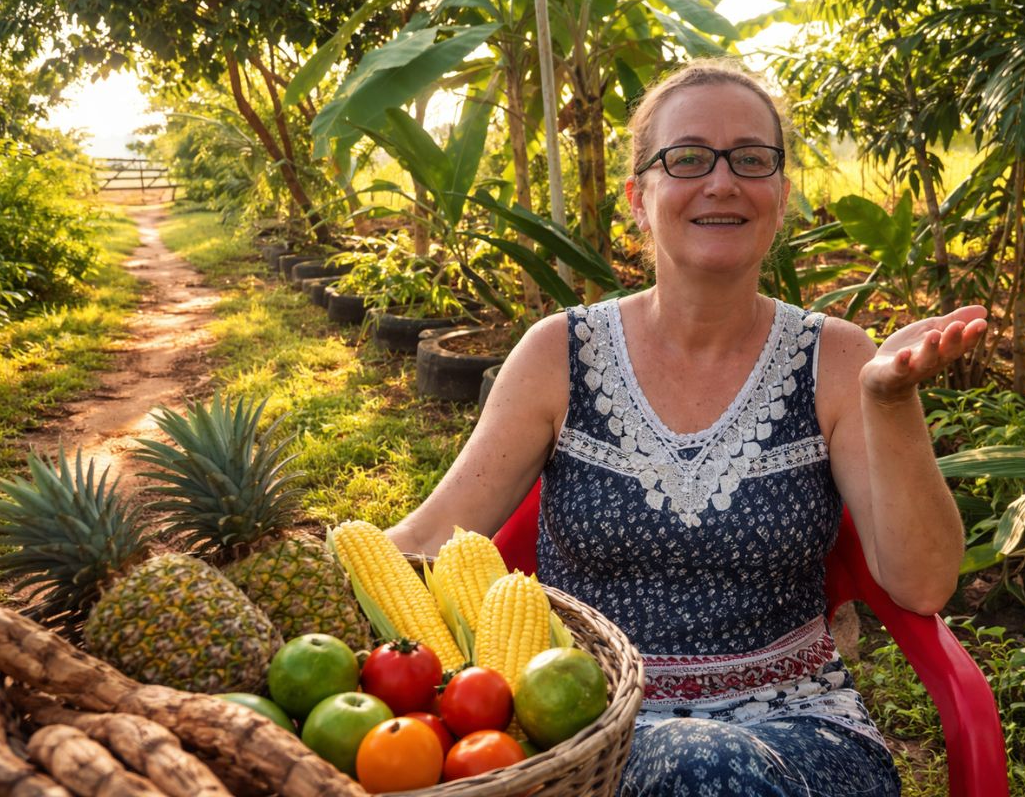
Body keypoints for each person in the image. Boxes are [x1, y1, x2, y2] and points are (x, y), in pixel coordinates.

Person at [387, 58, 987, 796]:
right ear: (640, 197)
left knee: (706, 765)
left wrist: (889, 405)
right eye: (689, 158)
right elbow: (430, 539)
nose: (723, 181)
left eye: (752, 159)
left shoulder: (835, 358)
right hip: (585, 732)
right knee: (680, 760)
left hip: (801, 735)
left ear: (781, 194)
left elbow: (924, 585)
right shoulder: (559, 354)